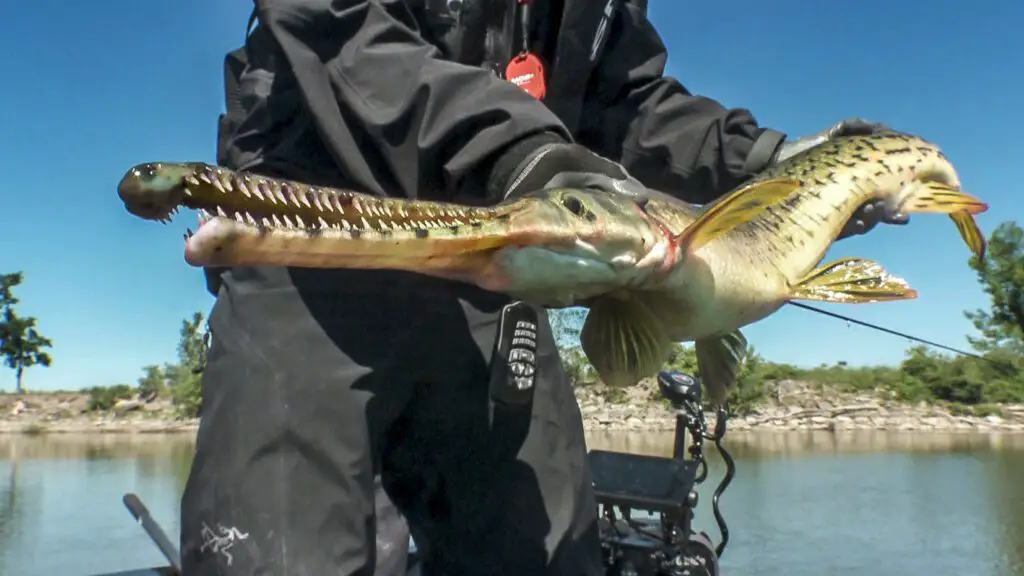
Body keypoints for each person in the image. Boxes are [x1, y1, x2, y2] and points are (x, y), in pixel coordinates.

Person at [181, 1, 907, 575]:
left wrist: (765, 159)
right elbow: (339, 30)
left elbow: (627, 102)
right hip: (319, 257)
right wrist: (525, 158)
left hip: (502, 265)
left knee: (549, 555)